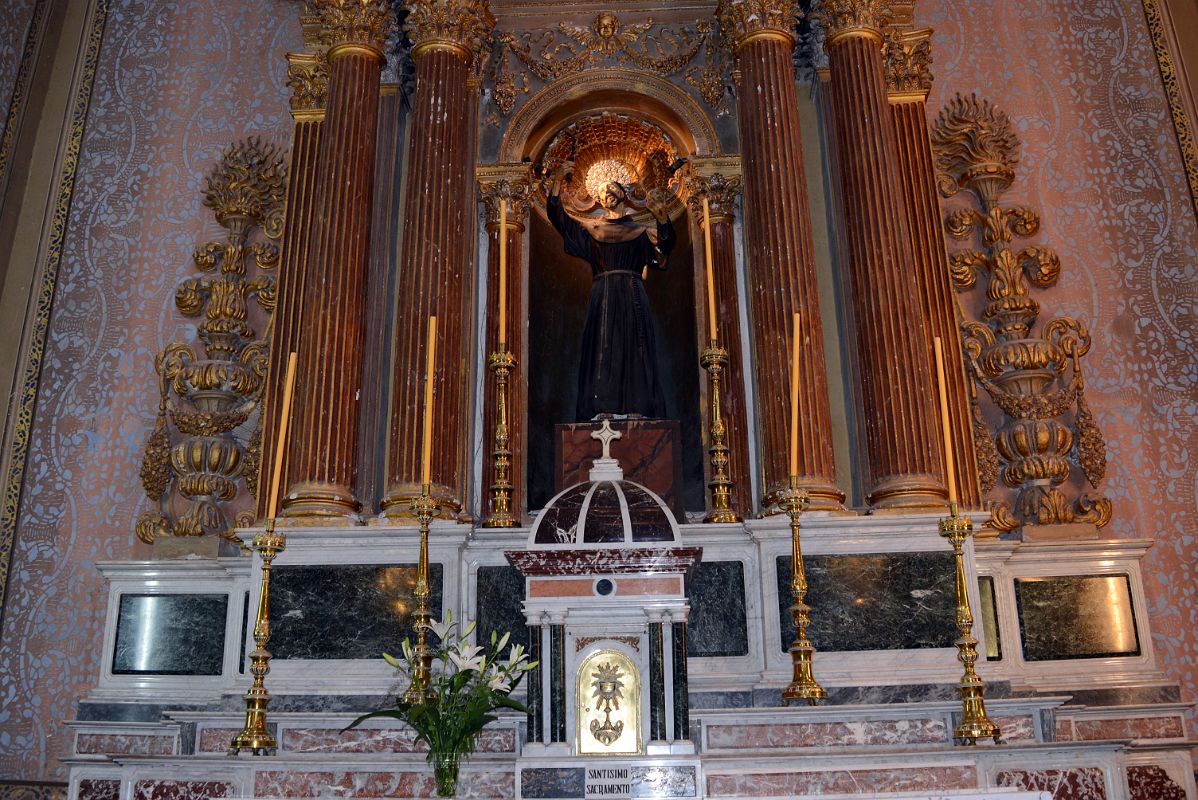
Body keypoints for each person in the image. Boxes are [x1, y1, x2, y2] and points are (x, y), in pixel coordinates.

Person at [548, 165, 675, 421]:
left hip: (632, 295)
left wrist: (661, 216)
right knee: (603, 349)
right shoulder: (592, 230)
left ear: (621, 194)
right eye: (603, 192)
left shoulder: (640, 231)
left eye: (611, 190)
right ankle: (602, 407)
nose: (607, 194)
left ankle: (638, 407)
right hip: (603, 296)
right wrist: (558, 180)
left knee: (635, 348)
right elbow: (559, 218)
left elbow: (665, 245)